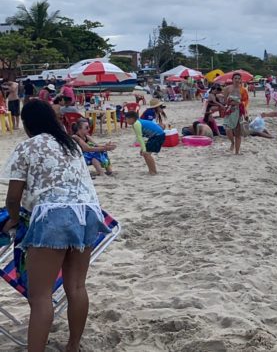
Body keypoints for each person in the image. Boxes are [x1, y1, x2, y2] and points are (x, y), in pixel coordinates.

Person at [0, 100, 111, 351]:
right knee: (76, 287)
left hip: (52, 218)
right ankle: (73, 346)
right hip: (87, 214)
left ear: (27, 124)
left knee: (40, 296)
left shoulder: (27, 147)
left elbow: (13, 198)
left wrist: (14, 220)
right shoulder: (71, 144)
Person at [124, 111, 165, 175]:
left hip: (158, 136)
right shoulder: (138, 122)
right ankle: (151, 171)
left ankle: (153, 172)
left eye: (126, 119)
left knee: (146, 154)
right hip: (156, 136)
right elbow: (142, 137)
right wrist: (143, 147)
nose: (125, 121)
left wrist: (144, 149)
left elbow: (139, 137)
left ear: (131, 119)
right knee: (145, 154)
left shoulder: (136, 124)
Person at [222, 73, 246, 154]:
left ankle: (237, 151)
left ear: (241, 80)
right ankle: (232, 142)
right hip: (229, 110)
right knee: (227, 129)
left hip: (239, 111)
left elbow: (245, 101)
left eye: (239, 78)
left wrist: (239, 104)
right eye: (235, 78)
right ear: (232, 79)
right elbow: (224, 101)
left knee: (238, 132)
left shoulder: (243, 90)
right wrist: (230, 102)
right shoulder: (227, 88)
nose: (237, 80)